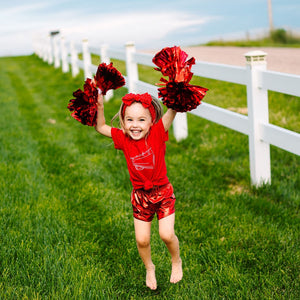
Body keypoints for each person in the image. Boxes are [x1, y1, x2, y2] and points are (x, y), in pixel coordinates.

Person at [95, 90, 182, 290]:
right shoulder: (123, 138)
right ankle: (149, 267)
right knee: (142, 240)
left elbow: (173, 109)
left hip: (163, 193)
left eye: (142, 119)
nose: (135, 125)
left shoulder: (159, 132)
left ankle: (176, 261)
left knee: (166, 235)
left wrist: (178, 89)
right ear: (124, 122)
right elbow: (100, 126)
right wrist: (99, 107)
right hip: (140, 197)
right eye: (130, 119)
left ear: (152, 121)